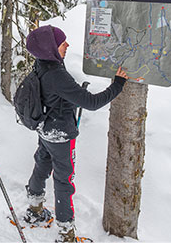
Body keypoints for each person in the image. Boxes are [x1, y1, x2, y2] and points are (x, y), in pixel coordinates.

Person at [23, 25, 128, 242]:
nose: (67, 45)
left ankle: (34, 209)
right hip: (60, 134)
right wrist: (118, 85)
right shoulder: (56, 74)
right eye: (62, 42)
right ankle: (65, 233)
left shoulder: (42, 64)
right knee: (64, 180)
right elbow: (91, 102)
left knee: (42, 164)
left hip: (45, 129)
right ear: (50, 47)